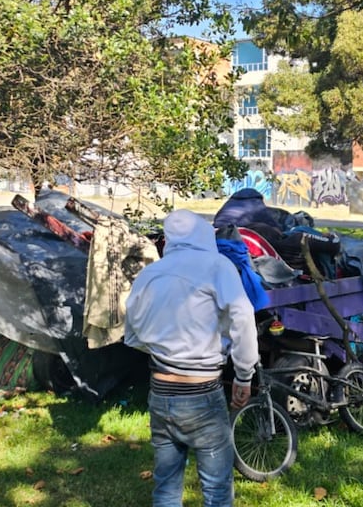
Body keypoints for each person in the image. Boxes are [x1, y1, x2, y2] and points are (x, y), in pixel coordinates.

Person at [124, 209, 259, 507]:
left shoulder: (150, 273)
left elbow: (131, 334)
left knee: (166, 486)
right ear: (203, 233)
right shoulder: (217, 266)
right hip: (201, 394)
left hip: (160, 391)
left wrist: (165, 350)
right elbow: (243, 316)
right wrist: (244, 375)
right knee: (217, 489)